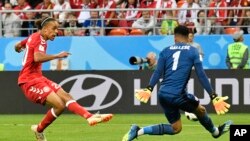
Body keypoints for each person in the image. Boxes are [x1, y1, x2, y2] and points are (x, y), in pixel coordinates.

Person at [122, 25, 232, 141]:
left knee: (176, 128)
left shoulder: (165, 51)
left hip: (163, 94)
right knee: (201, 110)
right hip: (178, 95)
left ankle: (138, 130)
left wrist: (149, 88)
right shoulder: (193, 51)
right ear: (188, 38)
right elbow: (201, 75)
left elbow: (158, 72)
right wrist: (213, 96)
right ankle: (215, 132)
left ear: (174, 38)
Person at [15, 17, 113, 141]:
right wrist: (57, 55)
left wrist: (18, 47)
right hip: (28, 81)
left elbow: (18, 45)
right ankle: (39, 130)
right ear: (44, 29)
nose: (56, 32)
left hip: (39, 78)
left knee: (66, 96)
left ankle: (89, 116)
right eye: (54, 28)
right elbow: (37, 58)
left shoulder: (34, 36)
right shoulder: (38, 39)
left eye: (57, 29)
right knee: (59, 105)